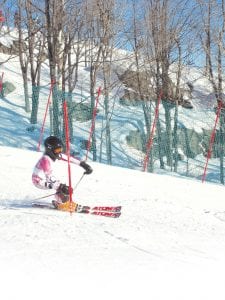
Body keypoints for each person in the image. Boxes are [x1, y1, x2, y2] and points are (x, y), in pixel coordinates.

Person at [32, 135, 93, 211]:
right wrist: (61, 187)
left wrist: (83, 164)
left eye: (60, 149)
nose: (59, 152)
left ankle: (61, 201)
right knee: (63, 188)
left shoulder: (53, 155)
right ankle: (63, 204)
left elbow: (68, 158)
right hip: (38, 181)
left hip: (45, 178)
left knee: (62, 187)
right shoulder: (46, 160)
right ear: (50, 150)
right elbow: (49, 176)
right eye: (57, 150)